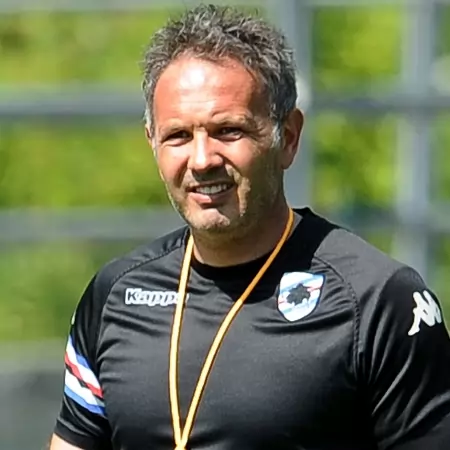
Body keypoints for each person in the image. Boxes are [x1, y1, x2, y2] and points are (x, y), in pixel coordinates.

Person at [50, 4, 450, 450]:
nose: (202, 160)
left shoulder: (379, 301)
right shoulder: (115, 295)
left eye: (228, 131)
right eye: (178, 136)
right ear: (153, 143)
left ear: (288, 137)